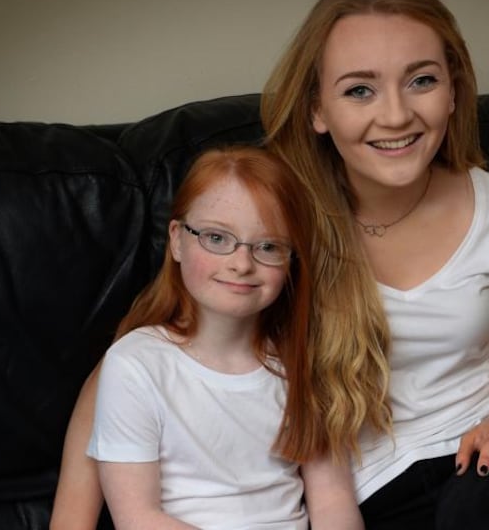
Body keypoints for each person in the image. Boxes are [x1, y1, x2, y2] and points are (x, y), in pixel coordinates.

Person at [54, 0, 489, 530]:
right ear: (317, 110)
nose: (397, 114)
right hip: (364, 492)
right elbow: (134, 363)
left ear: (454, 90)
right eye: (360, 90)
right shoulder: (273, 218)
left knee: (484, 508)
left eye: (422, 80)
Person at [66, 146, 362, 530]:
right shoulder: (136, 365)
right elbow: (137, 518)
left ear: (292, 260)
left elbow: (333, 500)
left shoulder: (303, 361)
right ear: (176, 239)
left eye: (268, 246)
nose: (241, 264)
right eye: (217, 238)